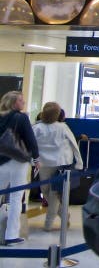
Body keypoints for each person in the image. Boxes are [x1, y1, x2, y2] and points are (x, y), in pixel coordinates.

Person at [32, 102, 83, 231]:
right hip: (44, 163)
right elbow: (30, 145)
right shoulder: (37, 127)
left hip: (59, 164)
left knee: (53, 193)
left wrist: (79, 162)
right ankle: (64, 214)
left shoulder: (61, 127)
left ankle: (48, 223)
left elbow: (73, 144)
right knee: (45, 191)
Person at [0, 91, 39, 246]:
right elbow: (30, 139)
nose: (23, 103)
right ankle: (11, 235)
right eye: (21, 100)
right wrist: (36, 158)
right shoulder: (21, 117)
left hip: (1, 161)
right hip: (18, 160)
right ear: (13, 102)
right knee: (16, 197)